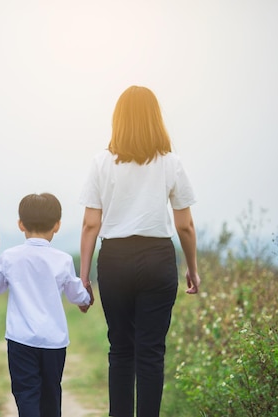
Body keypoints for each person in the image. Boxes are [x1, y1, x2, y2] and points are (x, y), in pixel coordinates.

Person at [78, 85, 201, 417]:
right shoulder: (170, 163)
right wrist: (192, 267)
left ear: (118, 120)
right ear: (155, 119)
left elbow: (91, 224)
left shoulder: (101, 162)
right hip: (158, 258)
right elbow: (185, 226)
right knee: (151, 353)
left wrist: (84, 277)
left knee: (120, 349)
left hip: (114, 260)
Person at [0, 193, 91, 417]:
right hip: (54, 341)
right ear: (57, 225)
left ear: (21, 224)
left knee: (26, 395)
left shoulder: (11, 257)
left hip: (21, 340)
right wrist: (86, 299)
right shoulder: (63, 259)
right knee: (51, 395)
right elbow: (76, 294)